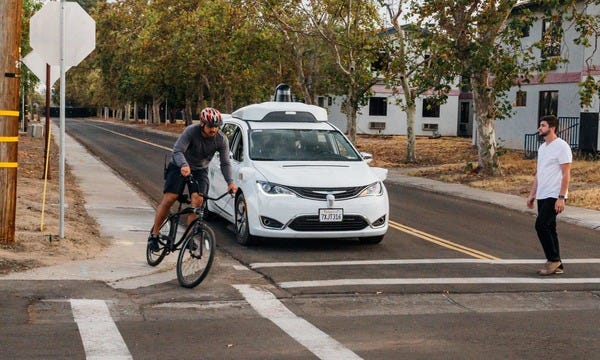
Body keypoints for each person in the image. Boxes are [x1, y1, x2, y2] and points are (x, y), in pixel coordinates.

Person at [148, 107, 237, 251]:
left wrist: (230, 182)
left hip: (200, 170)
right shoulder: (191, 131)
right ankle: (154, 235)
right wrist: (183, 165)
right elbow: (178, 151)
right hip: (179, 166)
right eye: (210, 126)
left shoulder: (221, 139)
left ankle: (189, 238)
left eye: (216, 126)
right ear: (202, 124)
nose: (213, 129)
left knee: (198, 200)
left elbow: (225, 163)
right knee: (170, 198)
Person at [526, 114, 572, 276]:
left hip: (554, 194)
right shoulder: (543, 147)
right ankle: (558, 264)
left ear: (552, 128)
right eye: (540, 125)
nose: (540, 128)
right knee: (550, 228)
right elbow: (539, 173)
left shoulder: (562, 146)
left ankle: (553, 260)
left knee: (541, 225)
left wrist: (561, 197)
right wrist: (532, 194)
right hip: (543, 194)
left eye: (543, 125)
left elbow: (566, 174)